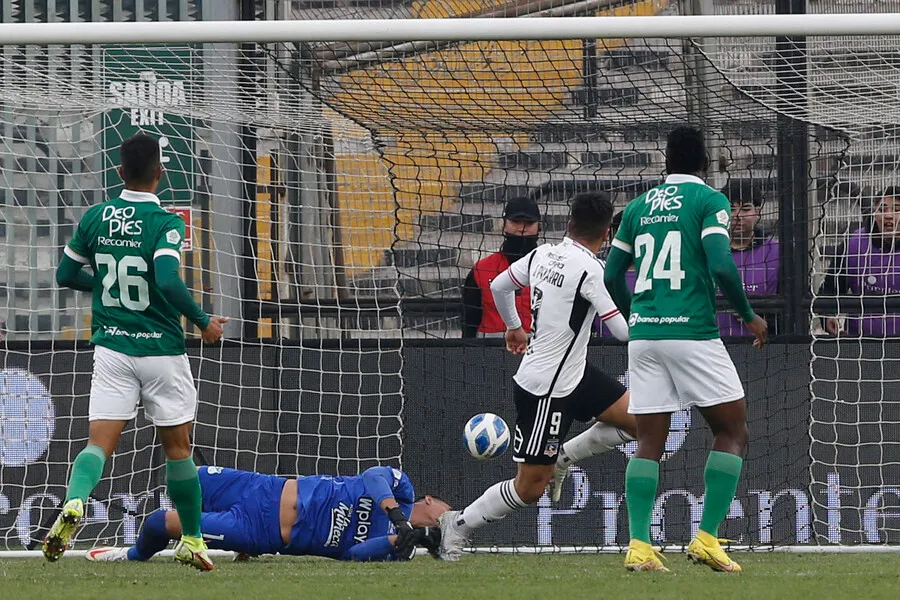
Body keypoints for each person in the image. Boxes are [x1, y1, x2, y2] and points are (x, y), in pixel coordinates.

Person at [47, 133, 228, 570]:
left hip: (112, 350)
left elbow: (66, 273)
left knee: (98, 445)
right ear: (160, 174)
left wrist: (106, 289)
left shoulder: (95, 217)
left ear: (120, 172)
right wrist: (203, 322)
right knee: (178, 449)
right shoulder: (166, 223)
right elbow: (166, 280)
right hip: (161, 351)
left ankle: (74, 501)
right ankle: (191, 538)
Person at [439, 192, 637, 561]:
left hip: (574, 374)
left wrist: (514, 328)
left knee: (642, 422)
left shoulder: (542, 253)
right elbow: (623, 332)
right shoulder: (591, 270)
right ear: (607, 233)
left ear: (569, 223)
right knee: (530, 489)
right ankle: (458, 523)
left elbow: (499, 286)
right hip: (546, 391)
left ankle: (564, 456)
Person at [604, 126, 767, 573]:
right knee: (733, 431)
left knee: (649, 440)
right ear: (704, 164)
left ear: (666, 160)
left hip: (645, 333)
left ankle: (639, 544)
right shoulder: (709, 201)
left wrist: (634, 312)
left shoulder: (637, 207)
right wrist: (748, 314)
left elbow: (611, 274)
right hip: (691, 330)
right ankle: (707, 538)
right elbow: (721, 263)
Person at [85, 465, 449, 563]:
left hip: (259, 530)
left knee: (159, 524)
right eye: (446, 514)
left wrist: (397, 537)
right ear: (430, 500)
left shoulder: (398, 550)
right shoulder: (402, 490)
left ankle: (130, 555)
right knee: (184, 476)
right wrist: (397, 517)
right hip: (262, 487)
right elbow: (373, 476)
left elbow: (351, 554)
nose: (441, 521)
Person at [822, 187, 900, 336]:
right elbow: (830, 289)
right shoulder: (853, 244)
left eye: (896, 210)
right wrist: (828, 315)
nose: (889, 215)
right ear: (874, 214)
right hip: (861, 343)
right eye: (882, 209)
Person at [461, 197, 540, 338]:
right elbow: (469, 323)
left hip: (541, 352)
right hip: (491, 353)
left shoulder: (553, 268)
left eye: (529, 223)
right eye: (515, 222)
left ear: (539, 226)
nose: (522, 228)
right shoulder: (481, 270)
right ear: (504, 224)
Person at [717, 180, 780, 336]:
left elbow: (791, 311)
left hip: (763, 347)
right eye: (731, 209)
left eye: (745, 209)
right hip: (714, 347)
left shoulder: (777, 252)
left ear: (758, 212)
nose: (737, 216)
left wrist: (763, 317)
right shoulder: (710, 251)